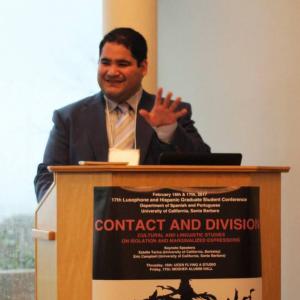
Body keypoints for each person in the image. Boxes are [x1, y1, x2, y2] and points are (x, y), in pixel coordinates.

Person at [34, 27, 210, 202]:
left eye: (122, 64)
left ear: (143, 67)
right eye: (105, 62)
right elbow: (46, 176)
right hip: (87, 224)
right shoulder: (69, 118)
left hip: (153, 224)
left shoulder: (170, 113)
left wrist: (169, 131)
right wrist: (61, 209)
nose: (111, 72)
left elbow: (207, 167)